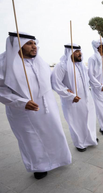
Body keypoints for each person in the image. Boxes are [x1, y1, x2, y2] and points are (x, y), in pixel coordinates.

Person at [0, 32, 71, 179]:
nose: (34, 46)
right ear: (18, 45)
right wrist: (22, 103)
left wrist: (66, 88)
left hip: (47, 107)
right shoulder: (5, 63)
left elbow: (53, 81)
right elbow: (1, 90)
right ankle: (39, 167)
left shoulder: (41, 62)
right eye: (29, 44)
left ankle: (58, 159)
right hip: (23, 112)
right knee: (32, 140)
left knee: (53, 133)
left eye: (34, 43)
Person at [51, 44, 97, 152]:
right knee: (76, 122)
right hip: (72, 100)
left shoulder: (82, 66)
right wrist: (70, 95)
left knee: (88, 119)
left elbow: (89, 79)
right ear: (69, 53)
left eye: (79, 51)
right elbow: (56, 84)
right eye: (76, 51)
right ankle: (79, 143)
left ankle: (90, 138)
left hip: (86, 97)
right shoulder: (61, 66)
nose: (79, 53)